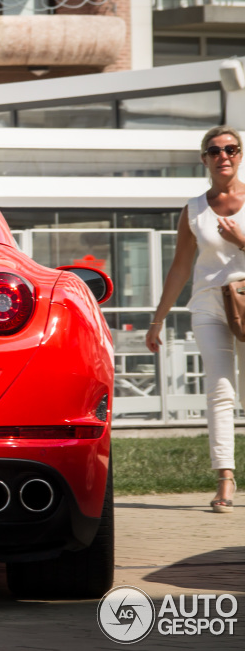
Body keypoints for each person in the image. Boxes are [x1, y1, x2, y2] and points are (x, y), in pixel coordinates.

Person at [146, 125, 241, 513]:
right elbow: (181, 267)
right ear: (204, 159)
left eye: (232, 149)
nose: (224, 156)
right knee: (220, 390)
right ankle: (225, 477)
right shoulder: (194, 209)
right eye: (215, 150)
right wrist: (157, 320)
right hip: (208, 305)